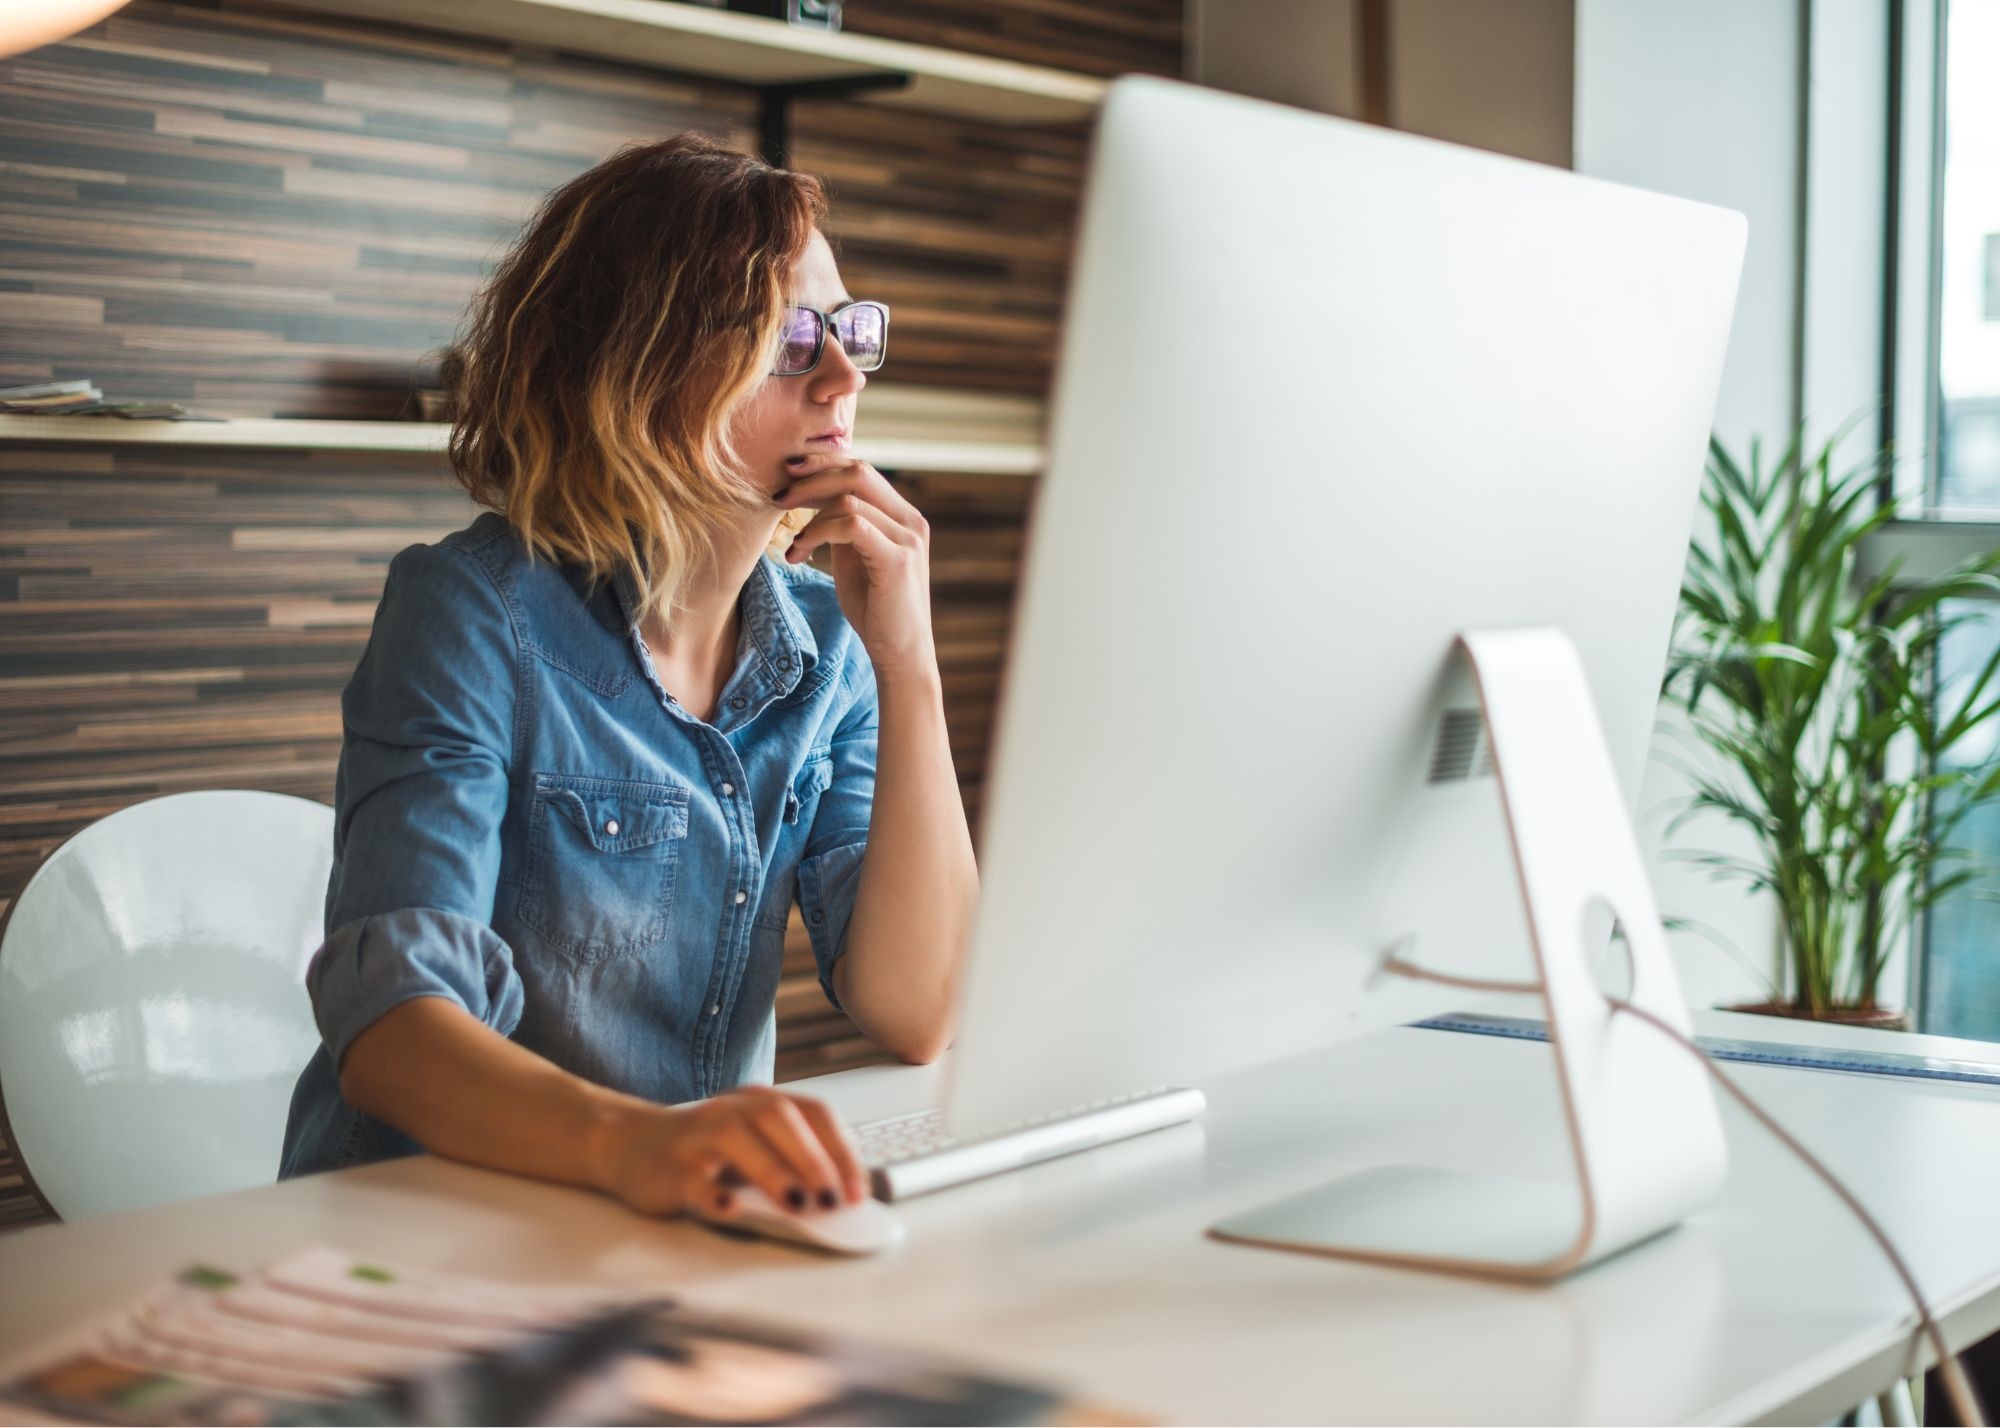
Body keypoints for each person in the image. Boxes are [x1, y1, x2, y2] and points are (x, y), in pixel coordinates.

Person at [277, 134, 979, 1225]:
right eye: (791, 339)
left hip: (675, 1220)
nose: (844, 376)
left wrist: (909, 663)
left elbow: (918, 1009)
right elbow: (392, 1031)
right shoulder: (469, 612)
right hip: (428, 1228)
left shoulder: (831, 646)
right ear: (638, 364)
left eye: (850, 332)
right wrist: (641, 1146)